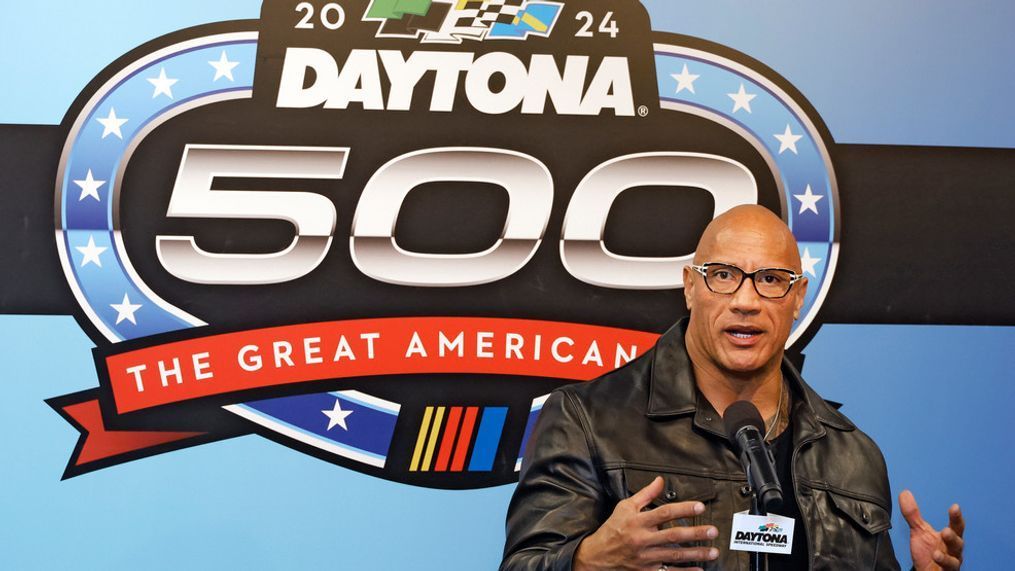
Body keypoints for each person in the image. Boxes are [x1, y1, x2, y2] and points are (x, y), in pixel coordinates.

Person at [501, 205, 965, 570]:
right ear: (689, 286)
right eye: (723, 276)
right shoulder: (587, 420)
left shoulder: (852, 455)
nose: (746, 302)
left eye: (770, 280)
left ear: (798, 297)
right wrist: (586, 562)